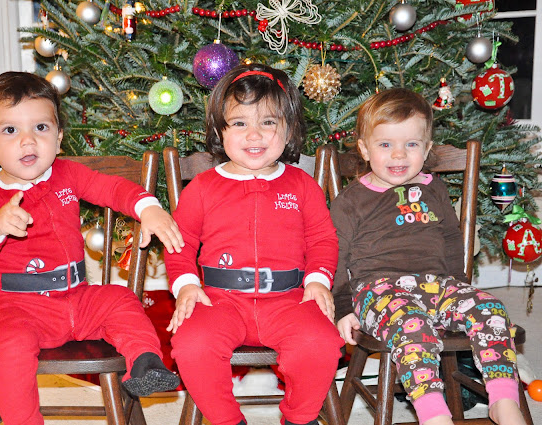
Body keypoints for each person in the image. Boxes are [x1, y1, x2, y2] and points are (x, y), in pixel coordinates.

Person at [0, 71, 184, 425]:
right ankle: (22, 421)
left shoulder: (69, 174)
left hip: (77, 298)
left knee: (120, 299)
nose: (28, 141)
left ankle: (144, 362)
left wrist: (147, 207)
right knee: (8, 349)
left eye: (41, 128)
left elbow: (113, 189)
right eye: (10, 130)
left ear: (59, 138)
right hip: (16, 307)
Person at [331, 88, 526, 425]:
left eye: (411, 144)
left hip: (438, 285)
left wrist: (460, 286)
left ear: (427, 148)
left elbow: (450, 239)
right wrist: (344, 308)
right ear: (364, 149)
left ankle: (503, 398)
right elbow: (335, 256)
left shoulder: (434, 188)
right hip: (379, 291)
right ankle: (433, 412)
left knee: (490, 308)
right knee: (413, 327)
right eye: (385, 144)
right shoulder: (351, 200)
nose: (398, 155)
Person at [163, 63, 344, 425]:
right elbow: (179, 243)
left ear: (288, 130)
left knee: (320, 343)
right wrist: (186, 286)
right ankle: (227, 420)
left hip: (289, 299)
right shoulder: (203, 187)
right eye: (239, 123)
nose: (254, 134)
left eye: (268, 122)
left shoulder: (302, 185)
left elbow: (322, 239)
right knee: (192, 344)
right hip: (220, 301)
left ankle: (299, 418)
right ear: (220, 131)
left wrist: (318, 280)